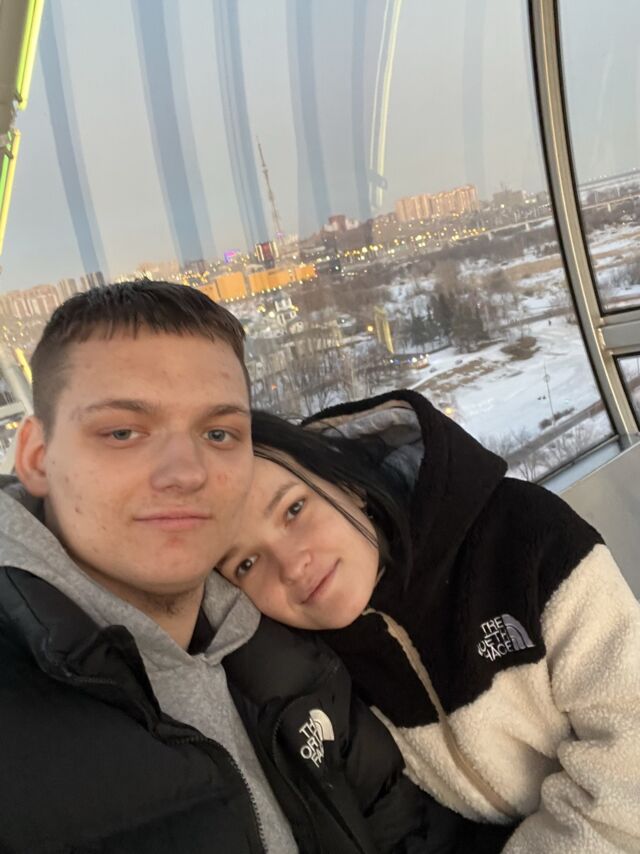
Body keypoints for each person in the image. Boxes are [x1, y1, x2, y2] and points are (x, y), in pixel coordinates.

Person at [0, 283, 498, 854]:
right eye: (123, 432)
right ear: (36, 456)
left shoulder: (287, 653)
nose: (186, 472)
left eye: (218, 433)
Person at [216, 390, 640, 853]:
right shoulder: (319, 668)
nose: (291, 566)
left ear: (346, 484)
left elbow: (630, 754)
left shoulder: (521, 535)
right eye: (246, 563)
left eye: (294, 509)